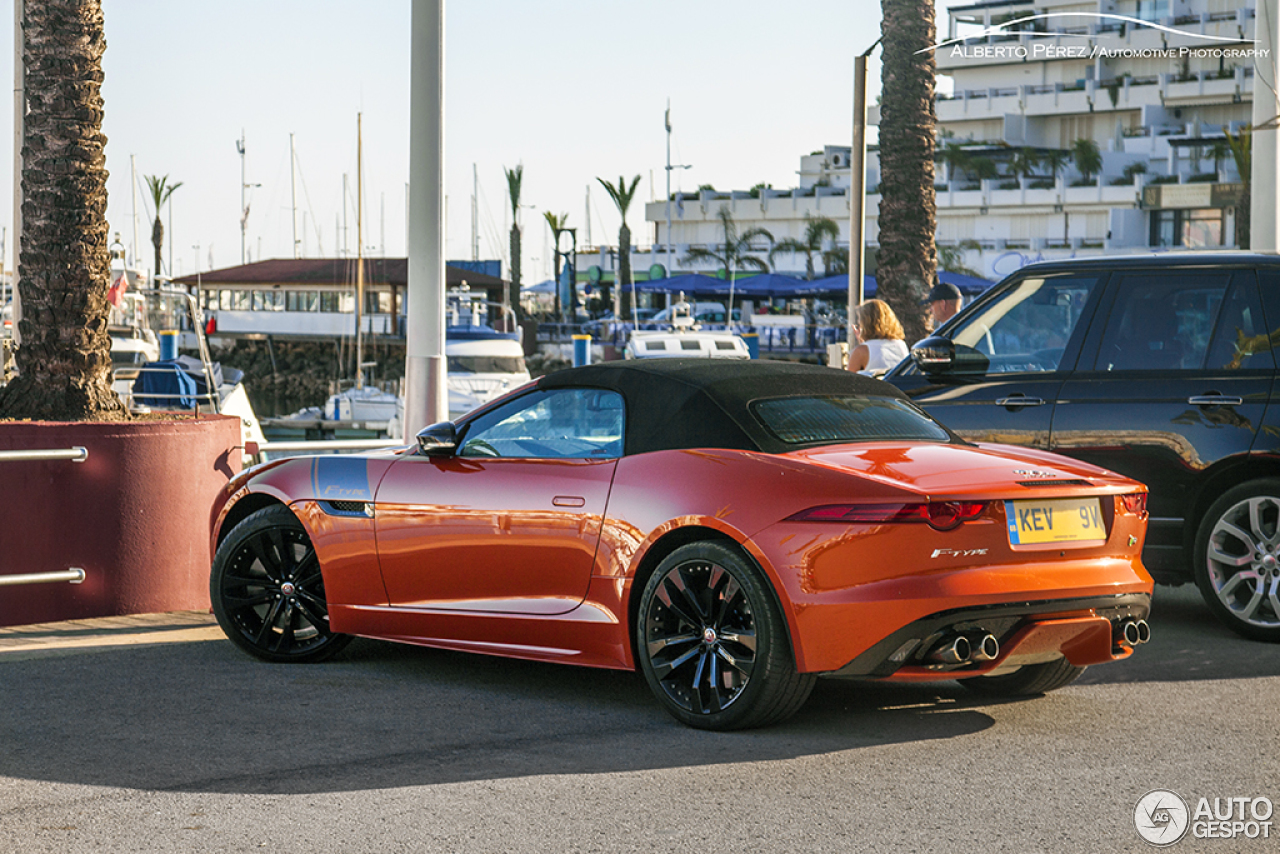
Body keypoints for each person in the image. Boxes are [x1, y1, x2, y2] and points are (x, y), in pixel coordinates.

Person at [847, 299, 909, 374]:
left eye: (860, 320)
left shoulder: (861, 351)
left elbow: (848, 381)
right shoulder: (901, 345)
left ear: (865, 323)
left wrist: (863, 344)